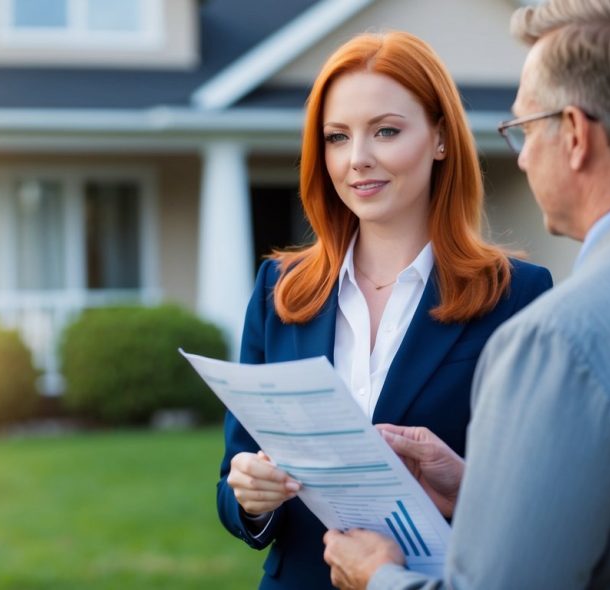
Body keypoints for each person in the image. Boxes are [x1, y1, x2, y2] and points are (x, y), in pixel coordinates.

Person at [322, 1, 610, 588]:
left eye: (525, 128)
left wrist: (380, 576)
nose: (522, 154)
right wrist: (477, 491)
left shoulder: (561, 340)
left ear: (576, 136)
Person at [217, 31, 553, 589]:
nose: (358, 160)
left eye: (386, 131)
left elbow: (542, 502)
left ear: (441, 138)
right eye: (337, 137)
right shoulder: (280, 289)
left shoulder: (516, 296)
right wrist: (251, 498)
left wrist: (466, 488)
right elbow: (234, 488)